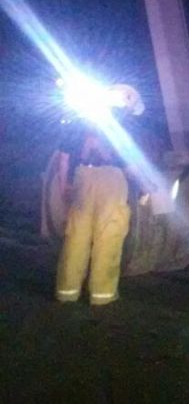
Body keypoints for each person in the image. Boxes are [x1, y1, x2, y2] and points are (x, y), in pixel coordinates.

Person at [54, 84, 144, 305]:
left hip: (83, 177)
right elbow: (129, 163)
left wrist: (65, 184)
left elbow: (64, 158)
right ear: (129, 105)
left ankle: (67, 292)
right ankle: (101, 295)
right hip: (113, 181)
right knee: (108, 236)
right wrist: (146, 185)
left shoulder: (80, 119)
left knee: (77, 236)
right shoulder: (123, 126)